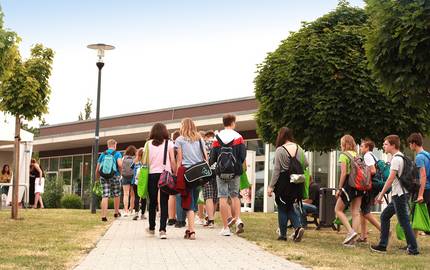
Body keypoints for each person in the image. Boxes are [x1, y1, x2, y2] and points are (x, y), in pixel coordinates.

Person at [371, 135, 419, 255]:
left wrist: (381, 194)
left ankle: (413, 248)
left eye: (386, 144)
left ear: (393, 145)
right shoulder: (401, 157)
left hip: (399, 195)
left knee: (404, 222)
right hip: (400, 194)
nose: (384, 146)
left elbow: (390, 179)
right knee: (385, 216)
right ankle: (382, 245)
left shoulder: (396, 159)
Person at [267, 127, 306, 242]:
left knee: (282, 208)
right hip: (297, 181)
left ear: (281, 136)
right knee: (289, 206)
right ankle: (298, 228)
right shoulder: (300, 148)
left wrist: (271, 186)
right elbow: (306, 163)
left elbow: (276, 170)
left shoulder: (280, 150)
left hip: (284, 182)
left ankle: (283, 235)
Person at [210, 114, 246, 236]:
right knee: (235, 196)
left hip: (220, 172)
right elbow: (242, 156)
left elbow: (213, 157)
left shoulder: (217, 138)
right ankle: (238, 220)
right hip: (235, 171)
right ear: (233, 123)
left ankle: (226, 228)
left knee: (223, 197)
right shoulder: (239, 137)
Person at [176, 118, 208, 240]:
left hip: (187, 173)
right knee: (193, 201)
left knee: (189, 202)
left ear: (183, 126)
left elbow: (179, 159)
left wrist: (177, 173)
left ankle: (192, 231)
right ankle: (189, 229)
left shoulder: (180, 140)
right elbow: (205, 156)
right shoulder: (199, 138)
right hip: (199, 173)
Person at [146, 123, 176, 239]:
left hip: (152, 174)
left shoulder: (148, 144)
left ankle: (152, 227)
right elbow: (172, 160)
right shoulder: (169, 143)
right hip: (165, 175)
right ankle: (162, 230)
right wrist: (174, 173)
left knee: (152, 202)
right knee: (164, 202)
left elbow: (146, 162)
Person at [335, 135, 363, 246]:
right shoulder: (358, 155)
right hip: (360, 186)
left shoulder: (344, 155)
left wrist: (339, 188)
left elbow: (343, 173)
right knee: (356, 212)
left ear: (344, 144)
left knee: (338, 210)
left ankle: (351, 232)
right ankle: (353, 240)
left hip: (349, 186)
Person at [357, 139, 381, 243]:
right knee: (363, 210)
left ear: (367, 147)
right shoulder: (373, 155)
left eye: (362, 146)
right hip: (375, 185)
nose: (361, 148)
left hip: (370, 185)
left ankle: (384, 230)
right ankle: (363, 236)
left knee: (365, 212)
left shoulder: (367, 156)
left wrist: (362, 176)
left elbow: (372, 171)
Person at [407, 133, 430, 237]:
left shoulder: (419, 157)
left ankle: (412, 245)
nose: (409, 146)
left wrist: (420, 194)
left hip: (424, 189)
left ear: (414, 143)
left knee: (415, 216)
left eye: (410, 144)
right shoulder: (427, 155)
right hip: (428, 188)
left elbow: (423, 176)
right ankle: (412, 243)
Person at [96, 139, 123, 222]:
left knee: (105, 195)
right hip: (115, 176)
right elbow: (120, 164)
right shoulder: (117, 153)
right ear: (115, 145)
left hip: (103, 176)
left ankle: (103, 216)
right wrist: (121, 174)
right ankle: (116, 212)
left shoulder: (102, 154)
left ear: (108, 145)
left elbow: (97, 169)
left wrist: (97, 179)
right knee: (116, 194)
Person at [202, 130, 217, 228]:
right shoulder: (217, 143)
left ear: (206, 136)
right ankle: (211, 217)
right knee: (215, 196)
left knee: (208, 196)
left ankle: (210, 219)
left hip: (206, 171)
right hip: (218, 171)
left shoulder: (203, 143)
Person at [172, 130, 187, 228]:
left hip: (180, 171)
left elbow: (178, 160)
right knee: (187, 196)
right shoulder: (191, 142)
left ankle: (180, 220)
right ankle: (184, 219)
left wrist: (177, 173)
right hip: (191, 171)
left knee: (178, 196)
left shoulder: (177, 145)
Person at [132, 147, 147, 220]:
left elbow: (131, 168)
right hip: (143, 183)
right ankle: (143, 214)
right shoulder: (146, 163)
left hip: (135, 182)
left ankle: (136, 213)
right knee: (144, 198)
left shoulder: (135, 162)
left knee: (136, 197)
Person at [121, 145, 137, 217]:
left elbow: (121, 166)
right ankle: (131, 209)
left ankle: (126, 210)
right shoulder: (135, 158)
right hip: (133, 177)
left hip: (125, 176)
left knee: (126, 194)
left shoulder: (123, 157)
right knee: (133, 194)